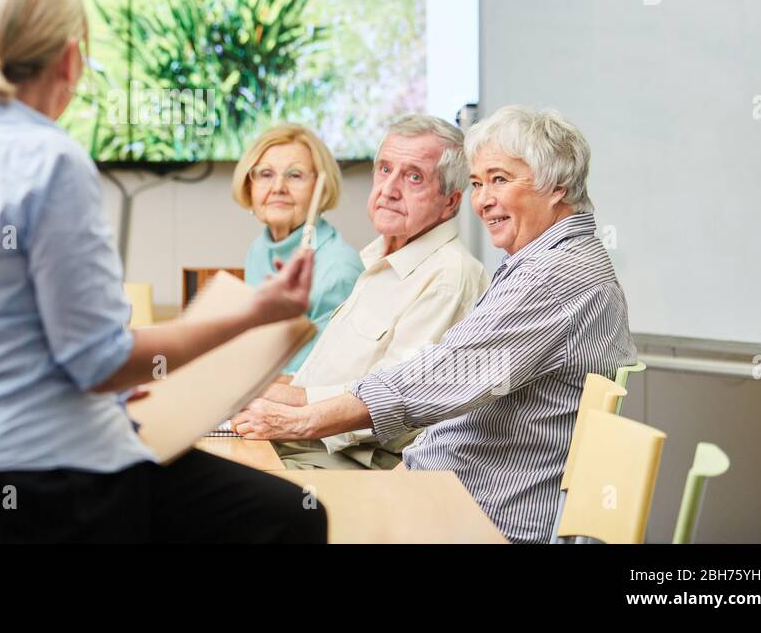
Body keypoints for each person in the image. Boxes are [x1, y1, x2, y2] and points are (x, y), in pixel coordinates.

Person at [0, 0, 327, 543]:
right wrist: (257, 311)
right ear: (72, 58)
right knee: (289, 518)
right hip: (60, 481)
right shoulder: (49, 158)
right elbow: (98, 363)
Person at [232, 105, 636, 543]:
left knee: (233, 507)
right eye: (479, 183)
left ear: (556, 186)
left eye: (499, 180)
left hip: (480, 515)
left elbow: (434, 379)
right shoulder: (541, 263)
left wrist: (301, 421)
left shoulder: (556, 276)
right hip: (443, 491)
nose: (483, 201)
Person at [244, 115, 489, 470]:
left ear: (450, 202)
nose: (389, 189)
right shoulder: (379, 261)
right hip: (304, 442)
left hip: (349, 463)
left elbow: (390, 403)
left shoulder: (448, 277)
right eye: (384, 169)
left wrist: (287, 404)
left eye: (414, 177)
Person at [232, 124, 363, 372]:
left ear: (321, 188)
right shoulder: (259, 249)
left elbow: (317, 382)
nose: (278, 187)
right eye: (266, 174)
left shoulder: (339, 271)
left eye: (295, 175)